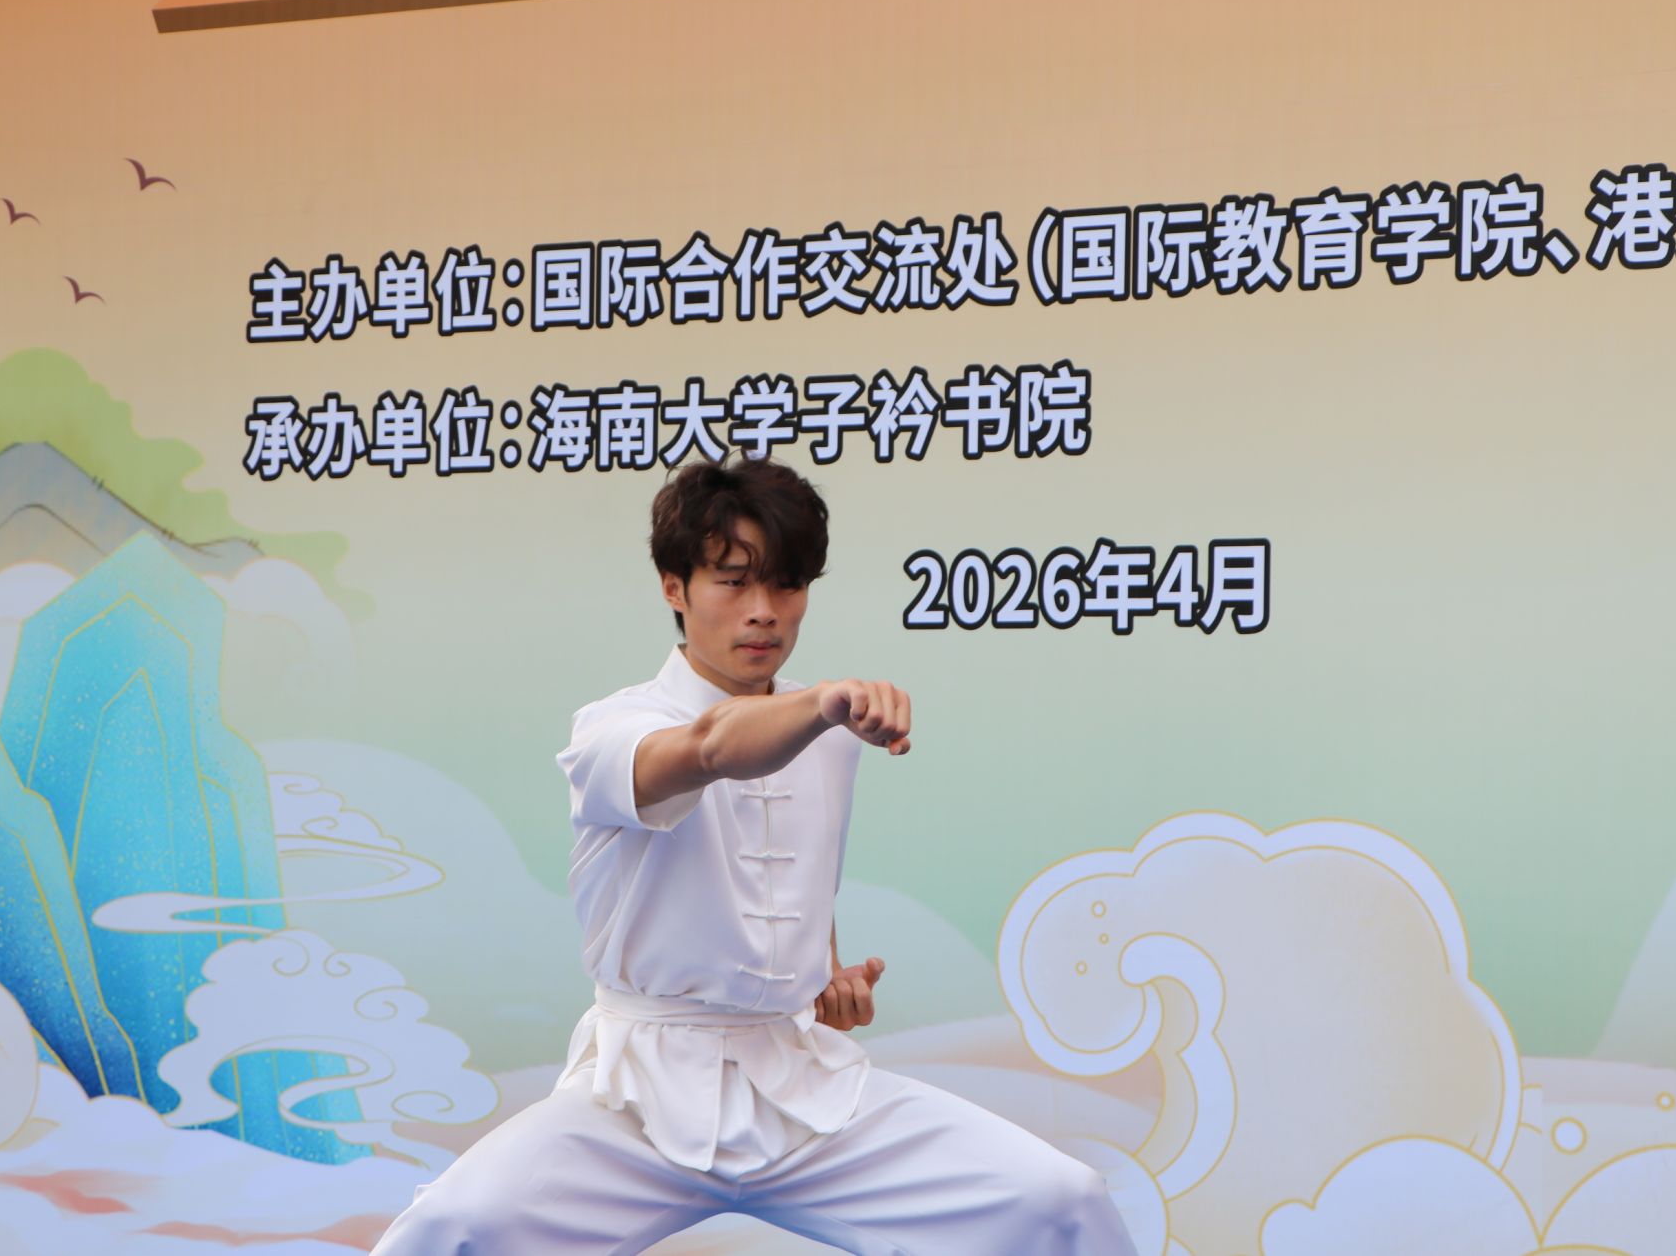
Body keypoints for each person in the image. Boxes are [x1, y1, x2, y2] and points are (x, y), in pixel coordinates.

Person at [372, 456, 1136, 1255]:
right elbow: (710, 745)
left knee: (1062, 1200)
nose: (764, 611)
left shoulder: (832, 736)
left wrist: (826, 978)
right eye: (733, 582)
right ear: (674, 586)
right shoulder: (613, 728)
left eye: (787, 584)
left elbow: (795, 885)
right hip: (636, 1097)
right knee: (452, 1228)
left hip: (803, 1091)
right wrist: (821, 704)